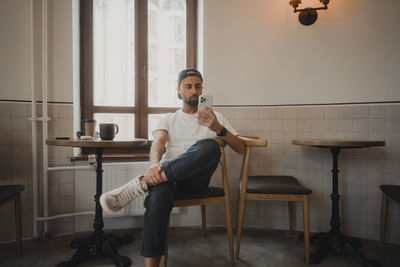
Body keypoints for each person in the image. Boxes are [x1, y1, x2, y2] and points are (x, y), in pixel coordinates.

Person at [100, 68, 245, 267]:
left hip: (197, 181)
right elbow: (158, 143)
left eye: (198, 86)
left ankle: (141, 184)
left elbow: (242, 148)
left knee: (210, 146)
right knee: (157, 196)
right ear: (179, 90)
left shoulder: (215, 117)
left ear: (202, 89)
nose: (194, 91)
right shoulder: (168, 118)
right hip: (168, 179)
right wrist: (153, 167)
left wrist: (218, 129)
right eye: (188, 87)